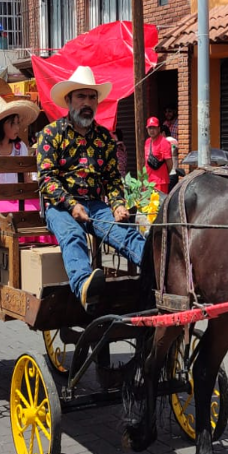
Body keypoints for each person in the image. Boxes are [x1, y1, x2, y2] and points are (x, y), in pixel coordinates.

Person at [36, 66, 145, 311]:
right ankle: (84, 286)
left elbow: (113, 179)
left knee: (125, 232)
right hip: (59, 207)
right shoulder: (51, 134)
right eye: (81, 96)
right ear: (68, 100)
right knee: (73, 237)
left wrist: (118, 205)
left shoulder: (105, 138)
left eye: (92, 97)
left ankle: (159, 268)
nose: (87, 102)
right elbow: (47, 179)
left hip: (96, 206)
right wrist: (71, 205)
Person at [0, 81, 40, 213]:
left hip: (19, 197)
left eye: (18, 123)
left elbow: (26, 179)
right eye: (13, 124)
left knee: (40, 213)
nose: (17, 128)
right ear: (1, 125)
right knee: (15, 215)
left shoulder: (20, 147)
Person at [143, 117, 174, 194]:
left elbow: (169, 163)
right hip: (148, 182)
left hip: (160, 182)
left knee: (159, 205)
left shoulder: (164, 142)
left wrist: (164, 175)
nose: (151, 130)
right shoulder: (147, 141)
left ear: (159, 129)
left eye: (154, 128)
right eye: (150, 128)